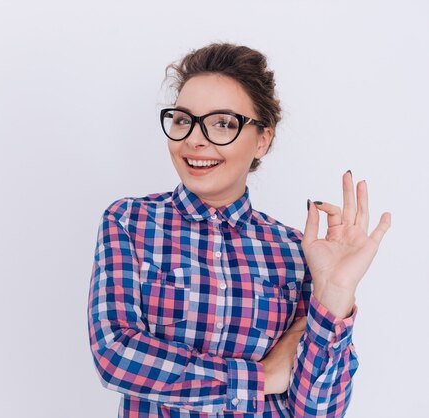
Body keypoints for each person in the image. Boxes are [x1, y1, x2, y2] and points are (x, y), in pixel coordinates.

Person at [86, 42, 391, 418]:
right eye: (183, 119)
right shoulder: (130, 222)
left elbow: (318, 411)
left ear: (263, 139)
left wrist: (335, 295)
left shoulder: (296, 251)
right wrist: (260, 378)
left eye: (222, 124)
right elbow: (116, 356)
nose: (195, 139)